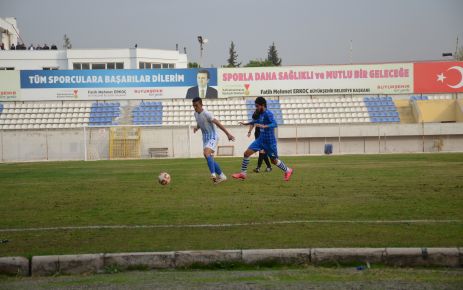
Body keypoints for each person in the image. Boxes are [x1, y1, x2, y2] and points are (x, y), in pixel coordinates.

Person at [232, 97, 293, 181]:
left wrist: (265, 126)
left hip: (270, 142)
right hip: (260, 140)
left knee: (274, 161)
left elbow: (275, 124)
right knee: (246, 154)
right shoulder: (260, 113)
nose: (256, 108)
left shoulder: (268, 113)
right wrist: (246, 123)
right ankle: (243, 174)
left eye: (257, 106)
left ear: (262, 105)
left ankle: (288, 170)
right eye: (255, 106)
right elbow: (255, 121)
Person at [192, 97, 235, 184]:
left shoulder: (207, 113)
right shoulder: (195, 114)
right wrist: (197, 127)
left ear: (201, 104)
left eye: (196, 106)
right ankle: (222, 176)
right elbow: (200, 122)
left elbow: (218, 123)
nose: (195, 108)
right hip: (205, 138)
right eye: (193, 106)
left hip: (213, 136)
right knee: (209, 158)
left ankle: (213, 175)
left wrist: (228, 134)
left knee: (206, 153)